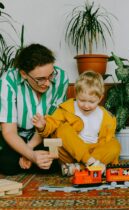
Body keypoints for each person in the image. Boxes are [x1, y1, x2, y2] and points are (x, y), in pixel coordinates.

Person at [32, 71, 121, 176]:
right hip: (71, 152)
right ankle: (90, 164)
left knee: (115, 145)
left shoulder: (106, 116)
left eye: (91, 102)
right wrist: (43, 126)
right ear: (76, 93)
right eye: (82, 100)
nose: (86, 106)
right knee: (63, 129)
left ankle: (79, 168)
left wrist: (113, 162)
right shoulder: (67, 108)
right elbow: (53, 123)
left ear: (100, 98)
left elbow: (108, 139)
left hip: (94, 152)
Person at [0, 43, 69, 175]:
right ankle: (31, 161)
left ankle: (30, 161)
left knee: (53, 163)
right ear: (24, 74)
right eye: (40, 79)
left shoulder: (61, 78)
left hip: (45, 134)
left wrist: (29, 152)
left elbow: (51, 122)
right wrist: (31, 155)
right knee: (7, 164)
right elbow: (9, 132)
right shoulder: (8, 81)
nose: (48, 83)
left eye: (50, 75)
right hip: (17, 137)